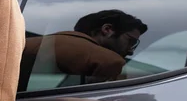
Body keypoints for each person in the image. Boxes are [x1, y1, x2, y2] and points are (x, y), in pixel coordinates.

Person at [19, 9, 147, 90]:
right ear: (107, 30)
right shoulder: (109, 61)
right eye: (131, 41)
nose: (131, 51)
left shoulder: (23, 45)